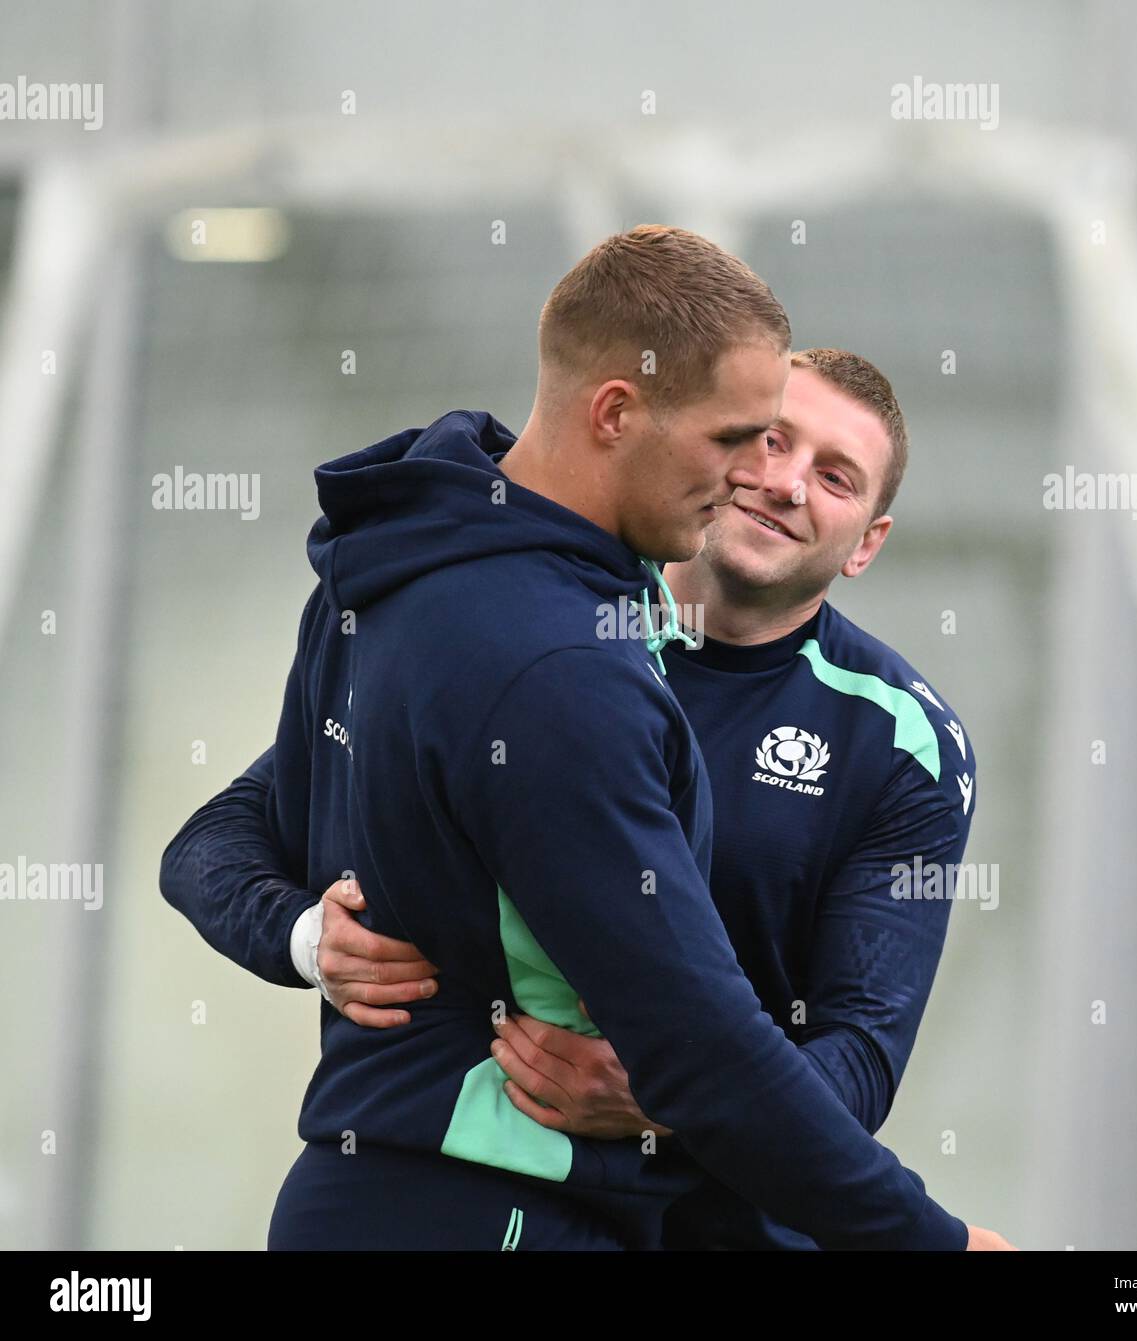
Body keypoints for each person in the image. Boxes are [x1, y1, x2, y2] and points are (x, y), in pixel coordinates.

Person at [161, 226, 994, 1250]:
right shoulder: (552, 646)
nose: (774, 479)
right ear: (637, 416)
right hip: (493, 1195)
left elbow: (855, 1053)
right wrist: (304, 935)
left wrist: (662, 1096)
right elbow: (228, 832)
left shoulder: (897, 740)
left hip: (702, 1221)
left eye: (835, 476)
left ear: (868, 543)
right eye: (762, 439)